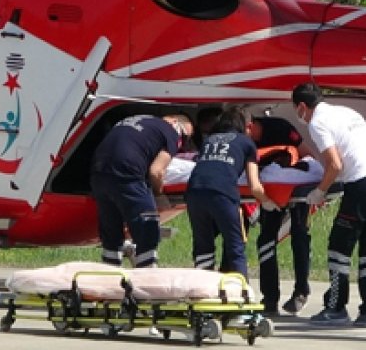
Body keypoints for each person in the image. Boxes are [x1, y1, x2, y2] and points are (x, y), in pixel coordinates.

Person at [292, 82, 366, 328]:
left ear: (302, 106)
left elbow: (335, 164)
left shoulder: (317, 122)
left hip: (363, 182)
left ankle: (336, 307)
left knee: (339, 245)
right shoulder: (346, 112)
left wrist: (320, 191)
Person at [89, 113, 192, 268]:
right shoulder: (170, 132)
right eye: (184, 137)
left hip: (98, 173)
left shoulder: (137, 121)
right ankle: (147, 275)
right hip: (127, 173)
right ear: (175, 122)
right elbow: (156, 171)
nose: (181, 143)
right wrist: (158, 195)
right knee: (147, 227)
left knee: (111, 233)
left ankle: (109, 275)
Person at [185, 107, 270, 277]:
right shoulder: (246, 143)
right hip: (222, 193)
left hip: (194, 191)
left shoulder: (209, 140)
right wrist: (268, 202)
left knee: (203, 247)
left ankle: (202, 291)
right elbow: (254, 186)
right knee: (235, 245)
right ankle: (242, 294)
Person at [250, 116, 313, 316]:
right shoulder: (246, 141)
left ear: (251, 125)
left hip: (294, 184)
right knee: (266, 240)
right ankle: (270, 298)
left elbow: (306, 155)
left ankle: (301, 290)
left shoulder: (280, 127)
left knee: (299, 234)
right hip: (270, 190)